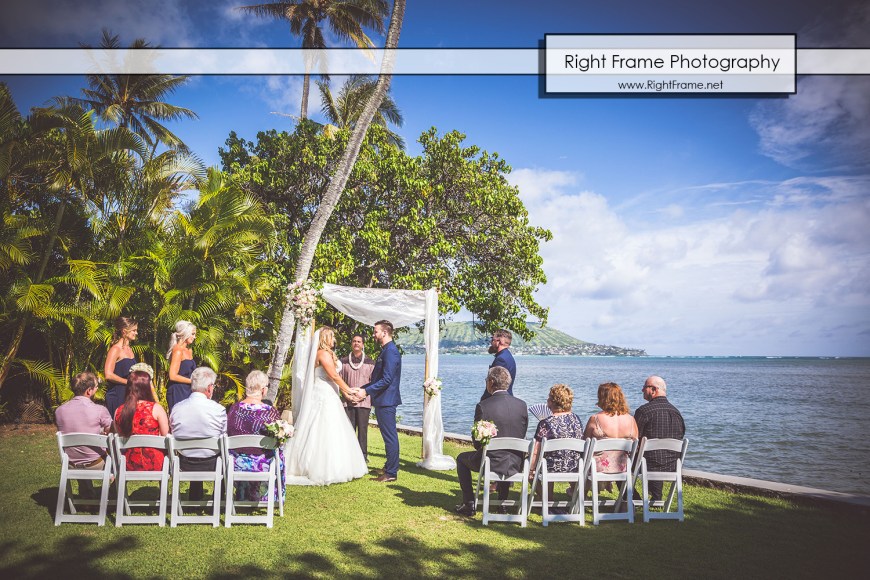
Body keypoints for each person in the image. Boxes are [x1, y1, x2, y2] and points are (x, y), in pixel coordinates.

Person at [286, 328, 368, 486]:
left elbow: (335, 379)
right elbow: (334, 375)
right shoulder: (322, 353)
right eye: (332, 337)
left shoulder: (329, 353)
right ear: (325, 338)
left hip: (331, 392)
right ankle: (319, 467)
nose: (334, 339)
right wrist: (349, 390)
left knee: (335, 428)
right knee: (322, 426)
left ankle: (339, 465)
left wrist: (345, 393)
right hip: (322, 393)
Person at [455, 366, 528, 516]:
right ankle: (502, 504)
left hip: (491, 462)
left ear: (491, 382)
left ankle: (469, 503)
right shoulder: (522, 405)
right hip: (517, 462)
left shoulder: (484, 406)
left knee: (462, 459)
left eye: (486, 380)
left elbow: (477, 442)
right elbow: (522, 433)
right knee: (507, 454)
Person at [169, 366, 227, 501]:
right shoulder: (218, 410)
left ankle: (195, 497)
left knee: (195, 449)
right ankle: (218, 501)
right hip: (212, 463)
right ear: (209, 388)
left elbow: (173, 431)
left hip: (184, 462)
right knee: (223, 452)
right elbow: (223, 435)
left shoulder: (176, 408)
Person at [356, 320, 402, 483]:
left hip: (387, 401)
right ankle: (389, 466)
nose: (373, 335)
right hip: (383, 399)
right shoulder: (386, 350)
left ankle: (391, 473)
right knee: (387, 435)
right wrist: (362, 389)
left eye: (376, 331)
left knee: (390, 437)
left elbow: (387, 379)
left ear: (385, 332)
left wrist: (366, 391)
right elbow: (378, 379)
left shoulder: (391, 352)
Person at [227, 370, 285, 499]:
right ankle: (266, 495)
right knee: (278, 451)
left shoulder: (234, 409)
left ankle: (246, 490)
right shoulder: (270, 412)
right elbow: (278, 437)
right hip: (263, 464)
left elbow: (228, 432)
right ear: (263, 390)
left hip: (236, 463)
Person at [55, 372, 113, 497]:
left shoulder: (59, 411)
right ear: (89, 391)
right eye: (96, 387)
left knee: (80, 450)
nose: (97, 389)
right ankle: (114, 494)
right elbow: (112, 432)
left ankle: (87, 495)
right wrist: (102, 434)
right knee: (120, 457)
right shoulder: (99, 410)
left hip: (70, 463)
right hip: (95, 464)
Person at [528, 384, 585, 502]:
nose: (547, 400)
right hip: (574, 466)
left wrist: (531, 469)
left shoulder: (546, 423)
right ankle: (573, 495)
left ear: (553, 402)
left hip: (551, 467)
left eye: (549, 397)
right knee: (557, 456)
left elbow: (536, 451)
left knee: (532, 465)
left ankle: (545, 497)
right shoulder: (576, 419)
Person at [634, 375, 686, 502]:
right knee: (658, 454)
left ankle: (632, 498)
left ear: (653, 389)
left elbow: (634, 439)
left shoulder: (644, 411)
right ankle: (656, 498)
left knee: (620, 464)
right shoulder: (676, 412)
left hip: (648, 464)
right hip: (672, 465)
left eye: (645, 387)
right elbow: (681, 435)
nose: (642, 390)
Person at [114, 366, 169, 471]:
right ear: (147, 387)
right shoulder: (156, 409)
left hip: (127, 465)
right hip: (155, 464)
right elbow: (166, 437)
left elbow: (119, 436)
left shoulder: (118, 411)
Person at [584, 382, 638, 476]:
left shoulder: (595, 419)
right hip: (623, 468)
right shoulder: (631, 419)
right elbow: (636, 447)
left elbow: (585, 444)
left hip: (598, 469)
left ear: (602, 398)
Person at [340, 333, 374, 461]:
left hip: (364, 402)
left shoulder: (370, 363)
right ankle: (348, 456)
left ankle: (363, 457)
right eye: (354, 341)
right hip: (347, 401)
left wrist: (363, 395)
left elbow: (373, 383)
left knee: (363, 431)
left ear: (363, 344)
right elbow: (339, 381)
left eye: (359, 341)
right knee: (349, 430)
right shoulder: (343, 362)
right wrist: (346, 395)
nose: (356, 343)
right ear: (351, 343)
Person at [103, 316, 138, 419]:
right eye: (134, 330)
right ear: (124, 331)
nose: (136, 333)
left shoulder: (130, 349)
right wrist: (128, 382)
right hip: (118, 395)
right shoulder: (115, 349)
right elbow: (108, 374)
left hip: (129, 395)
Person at [166, 320, 197, 413]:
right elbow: (172, 376)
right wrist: (193, 381)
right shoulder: (178, 350)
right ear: (185, 333)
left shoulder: (189, 350)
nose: (194, 337)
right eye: (192, 334)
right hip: (178, 391)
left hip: (188, 390)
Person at [480, 328, 516, 401]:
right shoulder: (507, 356)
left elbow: (495, 384)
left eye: (492, 339)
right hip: (506, 399)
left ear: (499, 341)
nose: (491, 342)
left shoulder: (501, 359)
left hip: (498, 401)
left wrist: (483, 402)